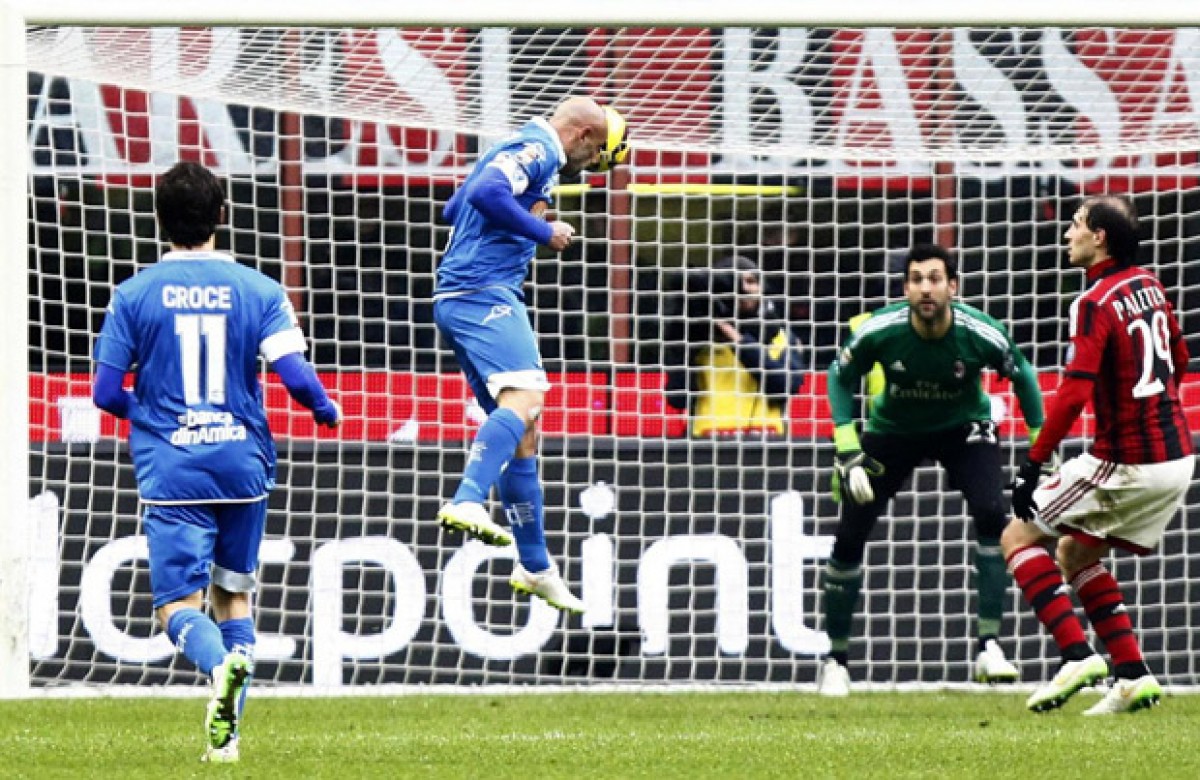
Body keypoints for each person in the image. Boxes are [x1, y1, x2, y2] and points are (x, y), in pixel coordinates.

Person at [91, 161, 341, 762]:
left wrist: (150, 414)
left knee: (177, 608)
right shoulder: (259, 289)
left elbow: (104, 392)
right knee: (234, 598)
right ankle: (226, 741)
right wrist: (325, 409)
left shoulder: (134, 294)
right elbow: (295, 376)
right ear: (221, 215)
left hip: (174, 468)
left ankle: (218, 665)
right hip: (242, 465)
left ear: (159, 220)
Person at [818, 243, 1046, 696]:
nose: (926, 288)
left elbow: (1023, 375)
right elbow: (839, 376)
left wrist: (1041, 449)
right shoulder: (881, 329)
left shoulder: (980, 332)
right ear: (905, 289)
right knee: (849, 535)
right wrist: (847, 447)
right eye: (917, 279)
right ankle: (835, 660)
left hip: (964, 427)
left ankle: (989, 647)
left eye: (935, 279)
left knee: (992, 514)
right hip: (893, 430)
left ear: (952, 287)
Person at [432, 96, 629, 614]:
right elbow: (484, 192)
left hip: (464, 295)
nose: (591, 166)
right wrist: (545, 230)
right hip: (483, 292)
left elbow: (455, 206)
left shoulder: (515, 146)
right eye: (597, 155)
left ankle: (536, 566)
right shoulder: (539, 149)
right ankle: (467, 499)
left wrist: (515, 217)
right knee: (527, 397)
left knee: (523, 431)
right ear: (583, 135)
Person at [1002, 195, 1194, 715]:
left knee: (1017, 535)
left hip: (1128, 460)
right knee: (1075, 554)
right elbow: (1179, 359)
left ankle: (1075, 656)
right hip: (1178, 458)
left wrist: (1033, 463)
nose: (1068, 233)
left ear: (1099, 237)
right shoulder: (1151, 284)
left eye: (1076, 224)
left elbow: (1073, 393)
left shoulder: (1093, 301)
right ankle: (1131, 675)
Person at [663, 255, 806, 437]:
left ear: (762, 288)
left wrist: (735, 339)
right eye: (736, 283)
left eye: (750, 281)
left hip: (765, 442)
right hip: (708, 441)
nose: (744, 289)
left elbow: (785, 387)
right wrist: (681, 336)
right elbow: (677, 398)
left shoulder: (780, 336)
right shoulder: (698, 337)